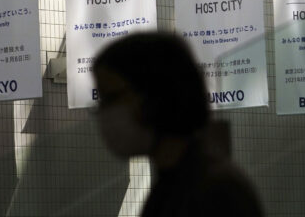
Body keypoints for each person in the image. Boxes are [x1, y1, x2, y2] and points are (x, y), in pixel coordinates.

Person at [93, 31, 263, 217]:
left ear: (154, 96)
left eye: (111, 98)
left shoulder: (215, 194)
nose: (103, 112)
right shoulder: (172, 186)